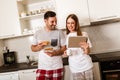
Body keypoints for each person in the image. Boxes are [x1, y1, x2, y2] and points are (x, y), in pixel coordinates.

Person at [31, 11, 66, 80]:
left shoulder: (59, 32)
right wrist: (39, 47)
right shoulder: (38, 33)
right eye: (52, 22)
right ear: (45, 21)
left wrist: (55, 53)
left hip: (57, 67)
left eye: (56, 21)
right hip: (42, 67)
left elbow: (64, 48)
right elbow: (32, 48)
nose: (55, 24)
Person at [64, 14, 93, 80]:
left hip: (87, 65)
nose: (70, 25)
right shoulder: (66, 36)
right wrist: (65, 53)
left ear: (76, 23)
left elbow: (87, 52)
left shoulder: (84, 34)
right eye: (68, 23)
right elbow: (65, 52)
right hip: (75, 67)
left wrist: (87, 48)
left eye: (72, 23)